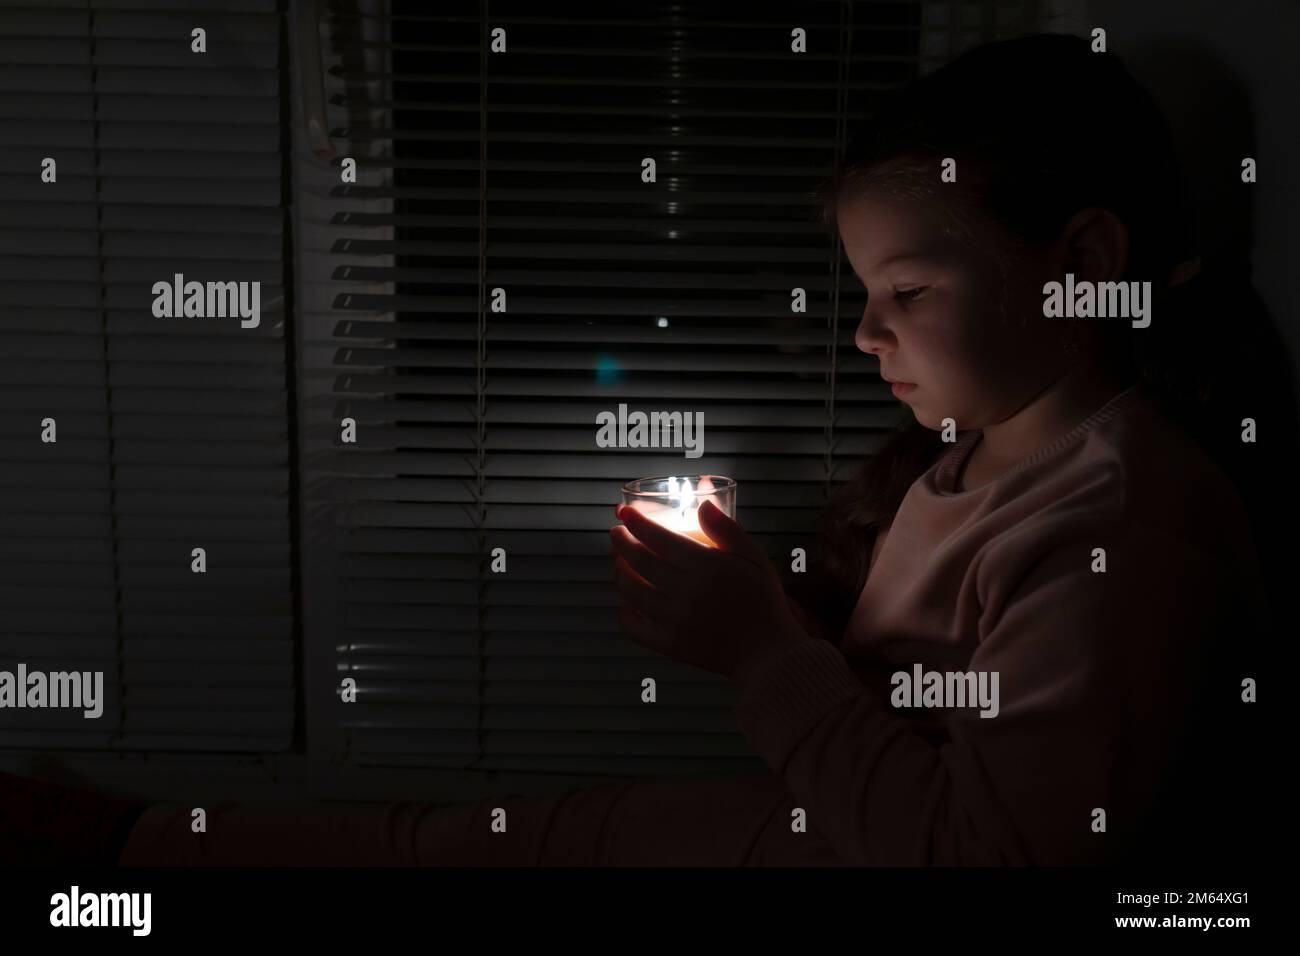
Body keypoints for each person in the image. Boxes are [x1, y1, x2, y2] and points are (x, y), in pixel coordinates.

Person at [6, 33, 1289, 868]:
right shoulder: (981, 456)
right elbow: (916, 706)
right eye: (861, 292)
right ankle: (139, 841)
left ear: (1083, 269)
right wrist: (761, 606)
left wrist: (759, 648)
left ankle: (131, 849)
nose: (862, 334)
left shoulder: (1134, 523)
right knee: (468, 843)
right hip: (797, 827)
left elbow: (978, 846)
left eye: (905, 290)